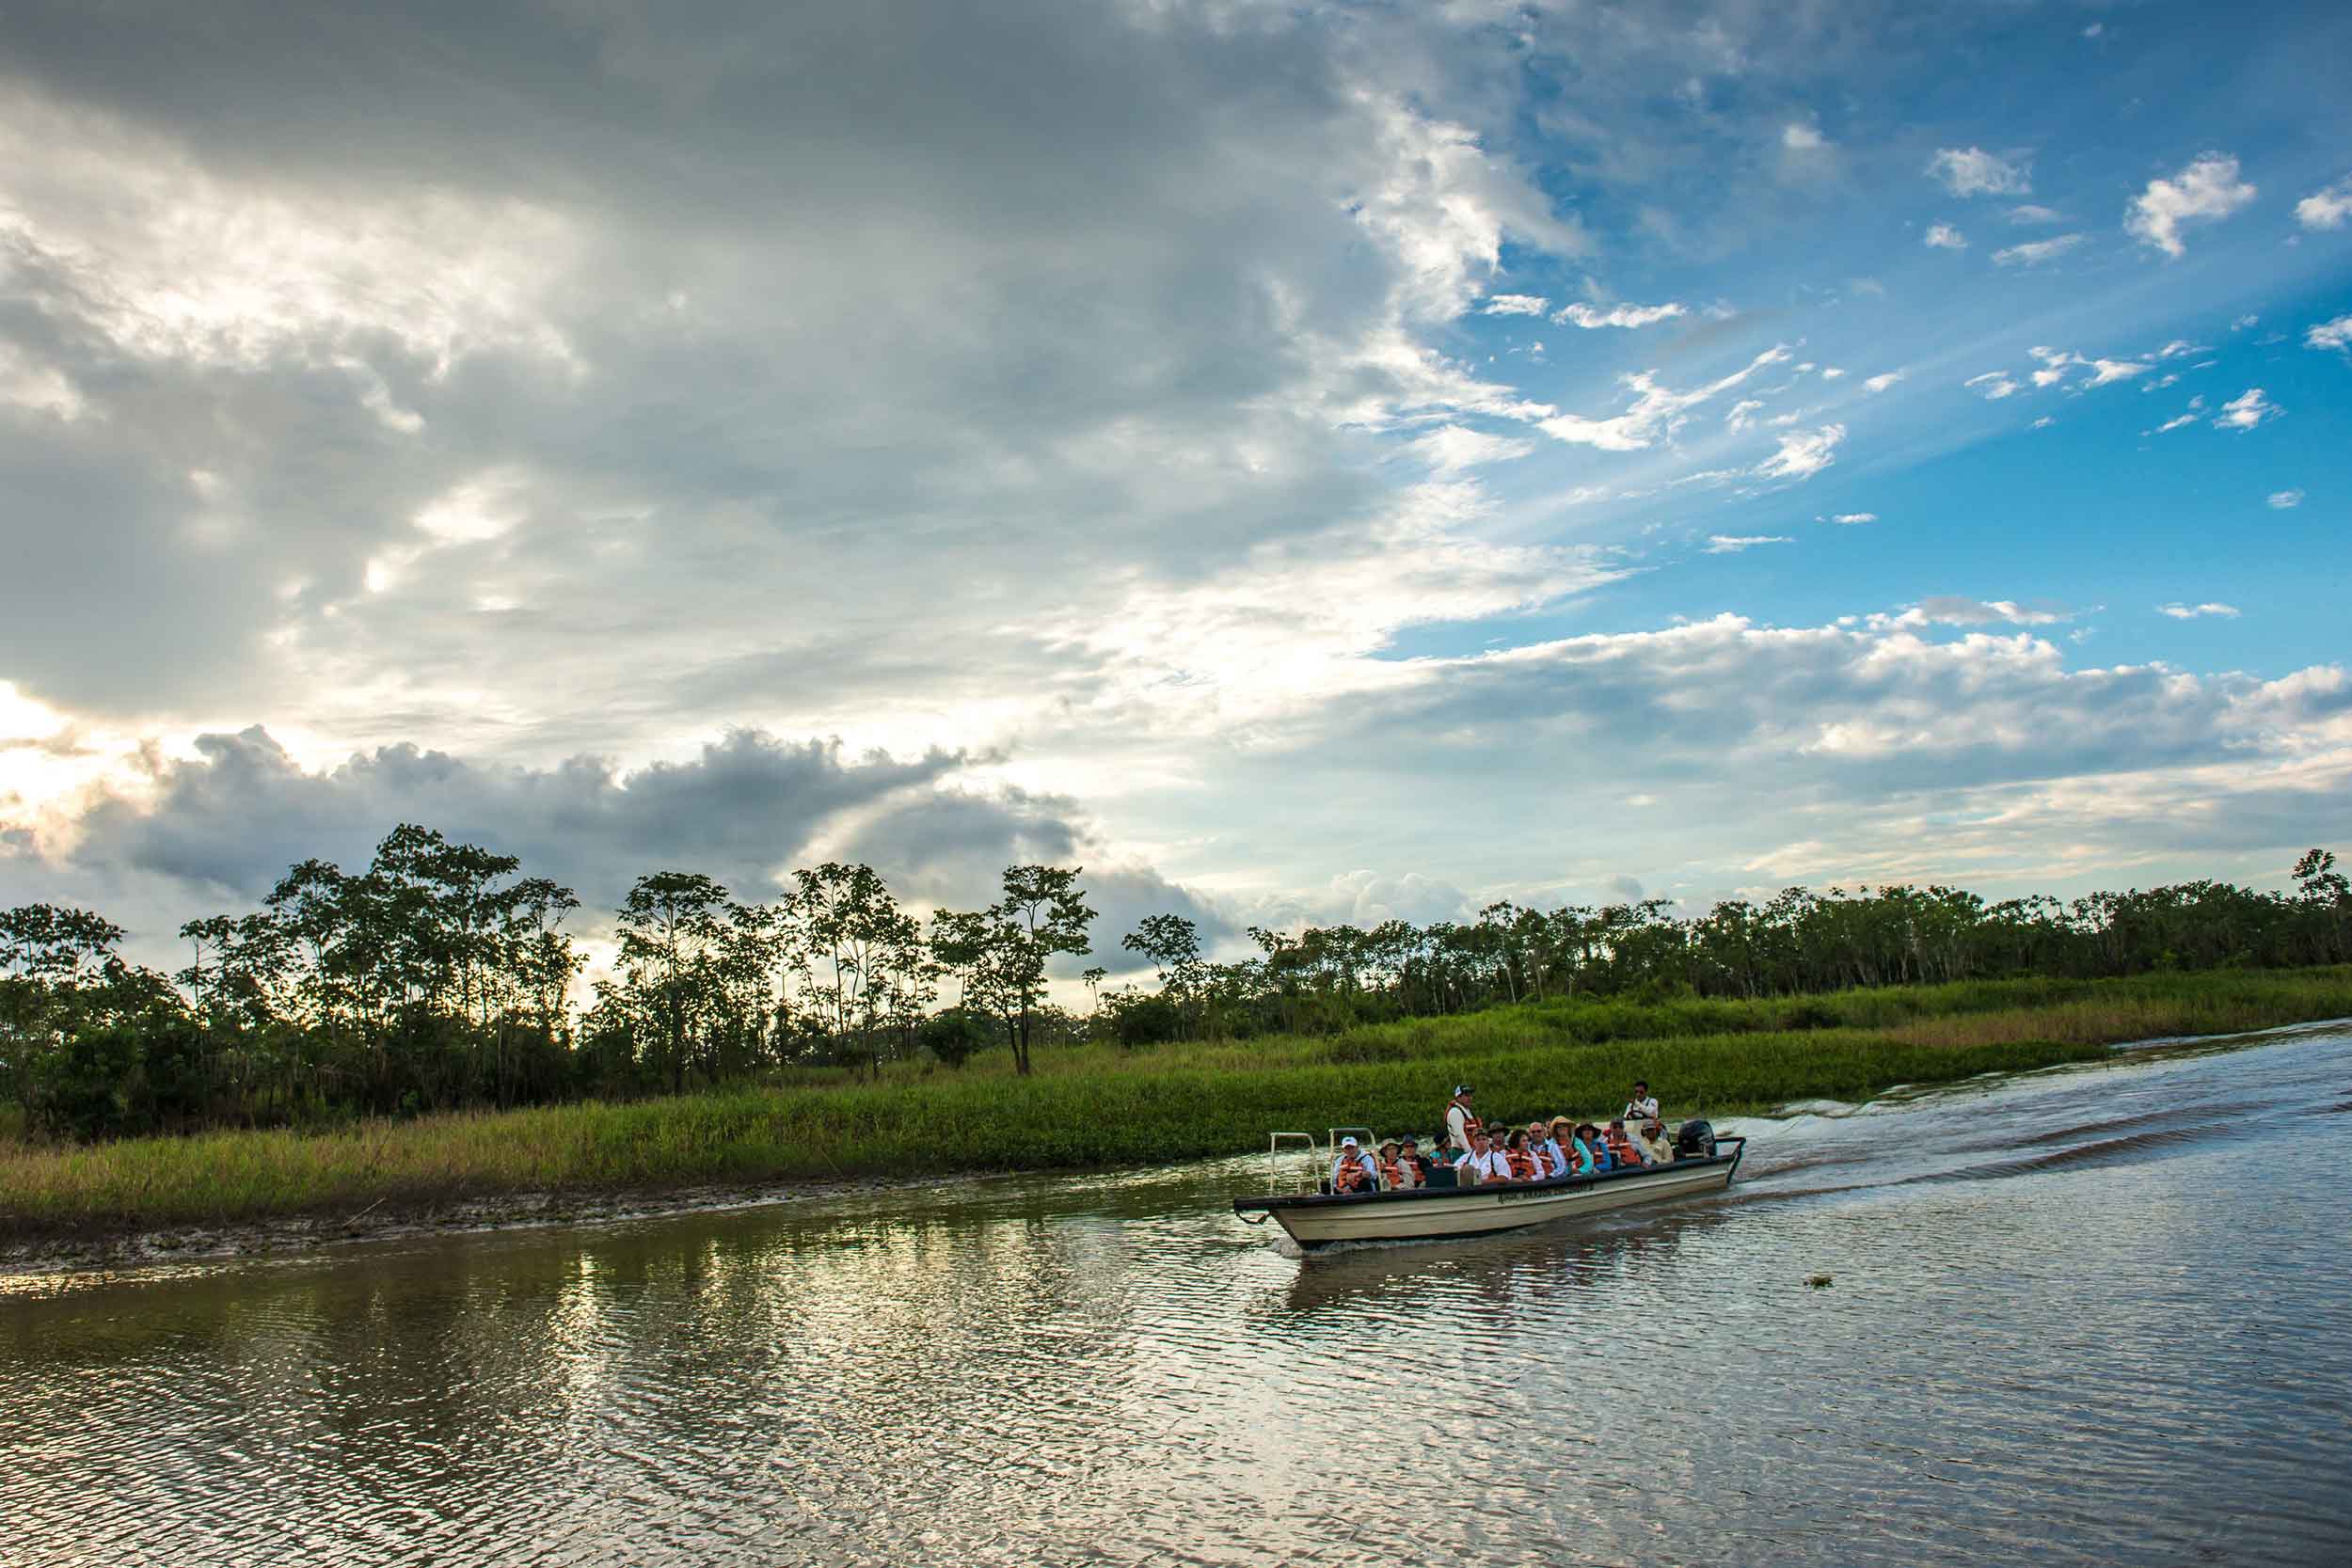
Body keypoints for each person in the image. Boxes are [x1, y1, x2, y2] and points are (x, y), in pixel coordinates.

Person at [1443, 1085, 1482, 1157]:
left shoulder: (1468, 1111)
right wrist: (1470, 1153)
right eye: (1466, 1095)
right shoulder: (1455, 1112)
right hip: (1460, 1152)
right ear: (1458, 1097)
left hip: (1473, 1150)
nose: (1470, 1098)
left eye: (1471, 1095)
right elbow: (1459, 1135)